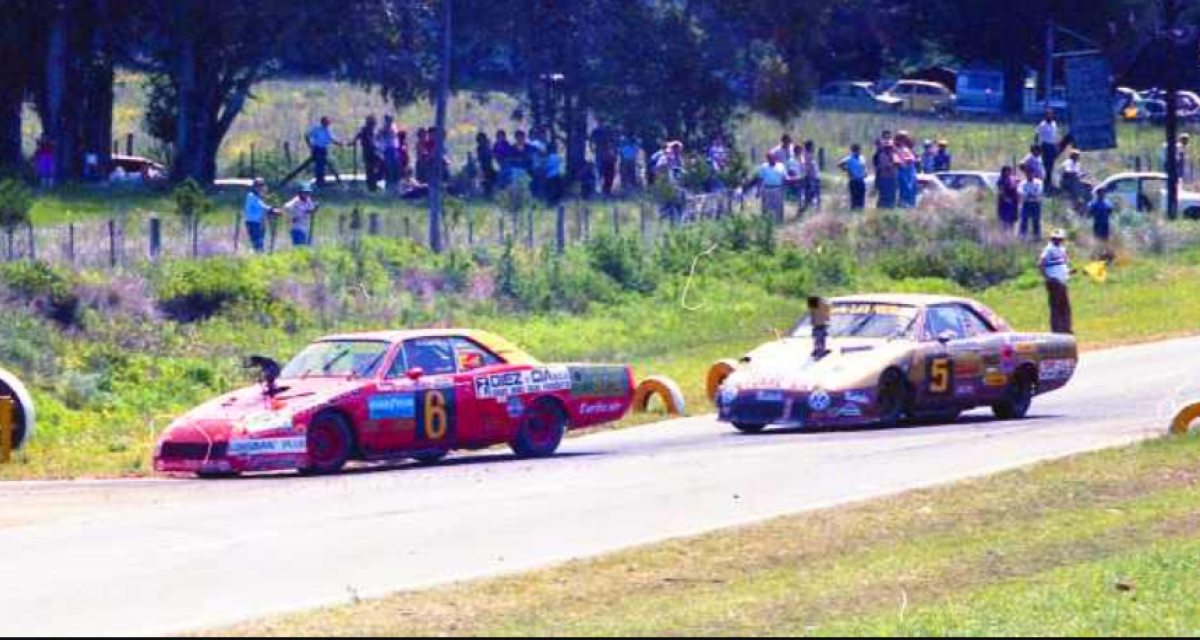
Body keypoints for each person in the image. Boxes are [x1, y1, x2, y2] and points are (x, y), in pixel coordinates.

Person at [1039, 229, 1075, 335]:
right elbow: (1041, 263)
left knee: (1065, 307)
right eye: (1056, 239)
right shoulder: (1049, 249)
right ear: (1052, 239)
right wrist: (1047, 277)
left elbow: (1062, 265)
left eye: (1060, 239)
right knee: (1056, 307)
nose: (1058, 241)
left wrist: (1069, 272)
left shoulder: (1062, 250)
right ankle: (1057, 330)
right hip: (1054, 282)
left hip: (1063, 282)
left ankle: (1066, 328)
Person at [747, 151, 790, 223]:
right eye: (769, 158)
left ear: (775, 158)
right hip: (767, 189)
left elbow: (785, 177)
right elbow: (760, 179)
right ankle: (766, 223)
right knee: (766, 207)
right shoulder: (764, 166)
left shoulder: (781, 166)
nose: (770, 159)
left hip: (778, 189)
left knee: (778, 207)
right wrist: (758, 191)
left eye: (772, 157)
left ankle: (779, 223)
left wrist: (787, 186)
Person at [243, 179, 279, 254]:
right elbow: (260, 206)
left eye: (261, 186)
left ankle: (257, 256)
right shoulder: (251, 196)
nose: (260, 188)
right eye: (258, 186)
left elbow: (263, 206)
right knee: (258, 242)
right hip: (252, 222)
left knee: (260, 241)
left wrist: (272, 210)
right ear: (254, 187)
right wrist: (272, 210)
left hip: (259, 222)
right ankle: (257, 257)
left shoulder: (259, 196)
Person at [306, 117, 342, 187]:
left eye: (328, 123)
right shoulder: (316, 129)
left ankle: (338, 181)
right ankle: (320, 182)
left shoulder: (328, 130)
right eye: (326, 123)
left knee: (330, 164)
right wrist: (310, 145)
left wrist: (339, 143)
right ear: (322, 122)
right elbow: (307, 135)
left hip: (324, 150)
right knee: (319, 166)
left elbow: (332, 139)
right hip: (317, 149)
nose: (327, 124)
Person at [353, 116, 381, 192]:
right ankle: (371, 187)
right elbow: (360, 137)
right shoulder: (365, 130)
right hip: (368, 152)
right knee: (370, 169)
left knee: (375, 168)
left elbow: (373, 140)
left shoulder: (371, 130)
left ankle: (373, 184)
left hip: (372, 152)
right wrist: (353, 142)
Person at [838, 144, 868, 211]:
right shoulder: (849, 158)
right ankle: (854, 212)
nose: (858, 151)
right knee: (854, 198)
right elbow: (839, 164)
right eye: (856, 150)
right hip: (853, 181)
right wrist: (847, 170)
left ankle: (860, 212)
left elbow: (864, 166)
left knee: (861, 198)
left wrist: (865, 172)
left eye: (858, 150)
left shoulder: (862, 158)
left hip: (861, 180)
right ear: (852, 150)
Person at [1036, 110, 1060, 190]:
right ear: (1045, 116)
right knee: (1046, 165)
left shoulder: (1054, 123)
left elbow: (1055, 135)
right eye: (1047, 115)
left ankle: (1049, 182)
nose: (1049, 116)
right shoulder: (1042, 124)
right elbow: (1037, 135)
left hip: (1052, 146)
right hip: (1045, 146)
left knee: (1051, 165)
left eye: (1051, 114)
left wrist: (1056, 146)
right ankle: (1045, 182)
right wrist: (1037, 147)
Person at [377, 115, 401, 192]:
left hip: (393, 149)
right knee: (388, 168)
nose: (389, 122)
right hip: (387, 150)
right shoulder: (383, 128)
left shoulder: (393, 127)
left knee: (394, 167)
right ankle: (389, 185)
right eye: (388, 120)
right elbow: (378, 136)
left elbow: (393, 134)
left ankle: (395, 185)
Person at [895, 132, 919, 209]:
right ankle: (904, 205)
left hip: (911, 171)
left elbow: (913, 159)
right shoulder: (896, 149)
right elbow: (897, 162)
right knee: (905, 189)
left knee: (913, 189)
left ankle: (911, 205)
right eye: (903, 138)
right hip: (903, 171)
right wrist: (905, 162)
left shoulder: (907, 149)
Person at [1019, 167, 1045, 240]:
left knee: (1036, 220)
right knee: (1024, 220)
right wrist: (1029, 195)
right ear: (1025, 174)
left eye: (1031, 173)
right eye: (1027, 173)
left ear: (1033, 174)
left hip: (1036, 204)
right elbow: (1020, 191)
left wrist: (1030, 195)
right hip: (1026, 204)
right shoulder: (1022, 183)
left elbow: (1039, 191)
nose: (1029, 175)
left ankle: (1037, 237)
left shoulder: (1038, 182)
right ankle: (1022, 236)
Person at [873, 138, 899, 210]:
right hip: (884, 178)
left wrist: (893, 164)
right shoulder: (882, 155)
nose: (889, 149)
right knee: (884, 194)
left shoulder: (894, 155)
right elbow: (885, 166)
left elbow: (898, 163)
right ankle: (882, 208)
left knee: (892, 194)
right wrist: (892, 164)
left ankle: (891, 207)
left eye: (890, 147)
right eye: (887, 148)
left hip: (892, 177)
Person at [997, 166, 1020, 233]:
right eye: (1007, 171)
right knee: (1005, 219)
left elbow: (1016, 188)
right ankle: (1004, 234)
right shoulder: (1001, 180)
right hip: (1004, 202)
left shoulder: (1012, 178)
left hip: (1013, 201)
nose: (1008, 172)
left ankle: (1011, 233)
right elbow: (1001, 191)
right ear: (1003, 172)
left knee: (1012, 219)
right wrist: (1005, 198)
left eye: (1009, 171)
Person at [800, 140, 821, 212]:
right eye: (813, 146)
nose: (814, 147)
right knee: (810, 194)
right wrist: (808, 176)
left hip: (814, 177)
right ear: (809, 147)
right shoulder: (806, 155)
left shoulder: (810, 154)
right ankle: (806, 210)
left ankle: (815, 210)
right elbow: (807, 167)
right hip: (810, 178)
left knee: (815, 195)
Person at [476, 132, 497, 196]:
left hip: (490, 167)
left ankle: (489, 192)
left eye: (482, 139)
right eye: (480, 140)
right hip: (484, 167)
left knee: (490, 179)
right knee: (485, 180)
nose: (481, 141)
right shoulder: (479, 148)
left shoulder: (488, 146)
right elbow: (480, 158)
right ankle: (486, 192)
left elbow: (492, 156)